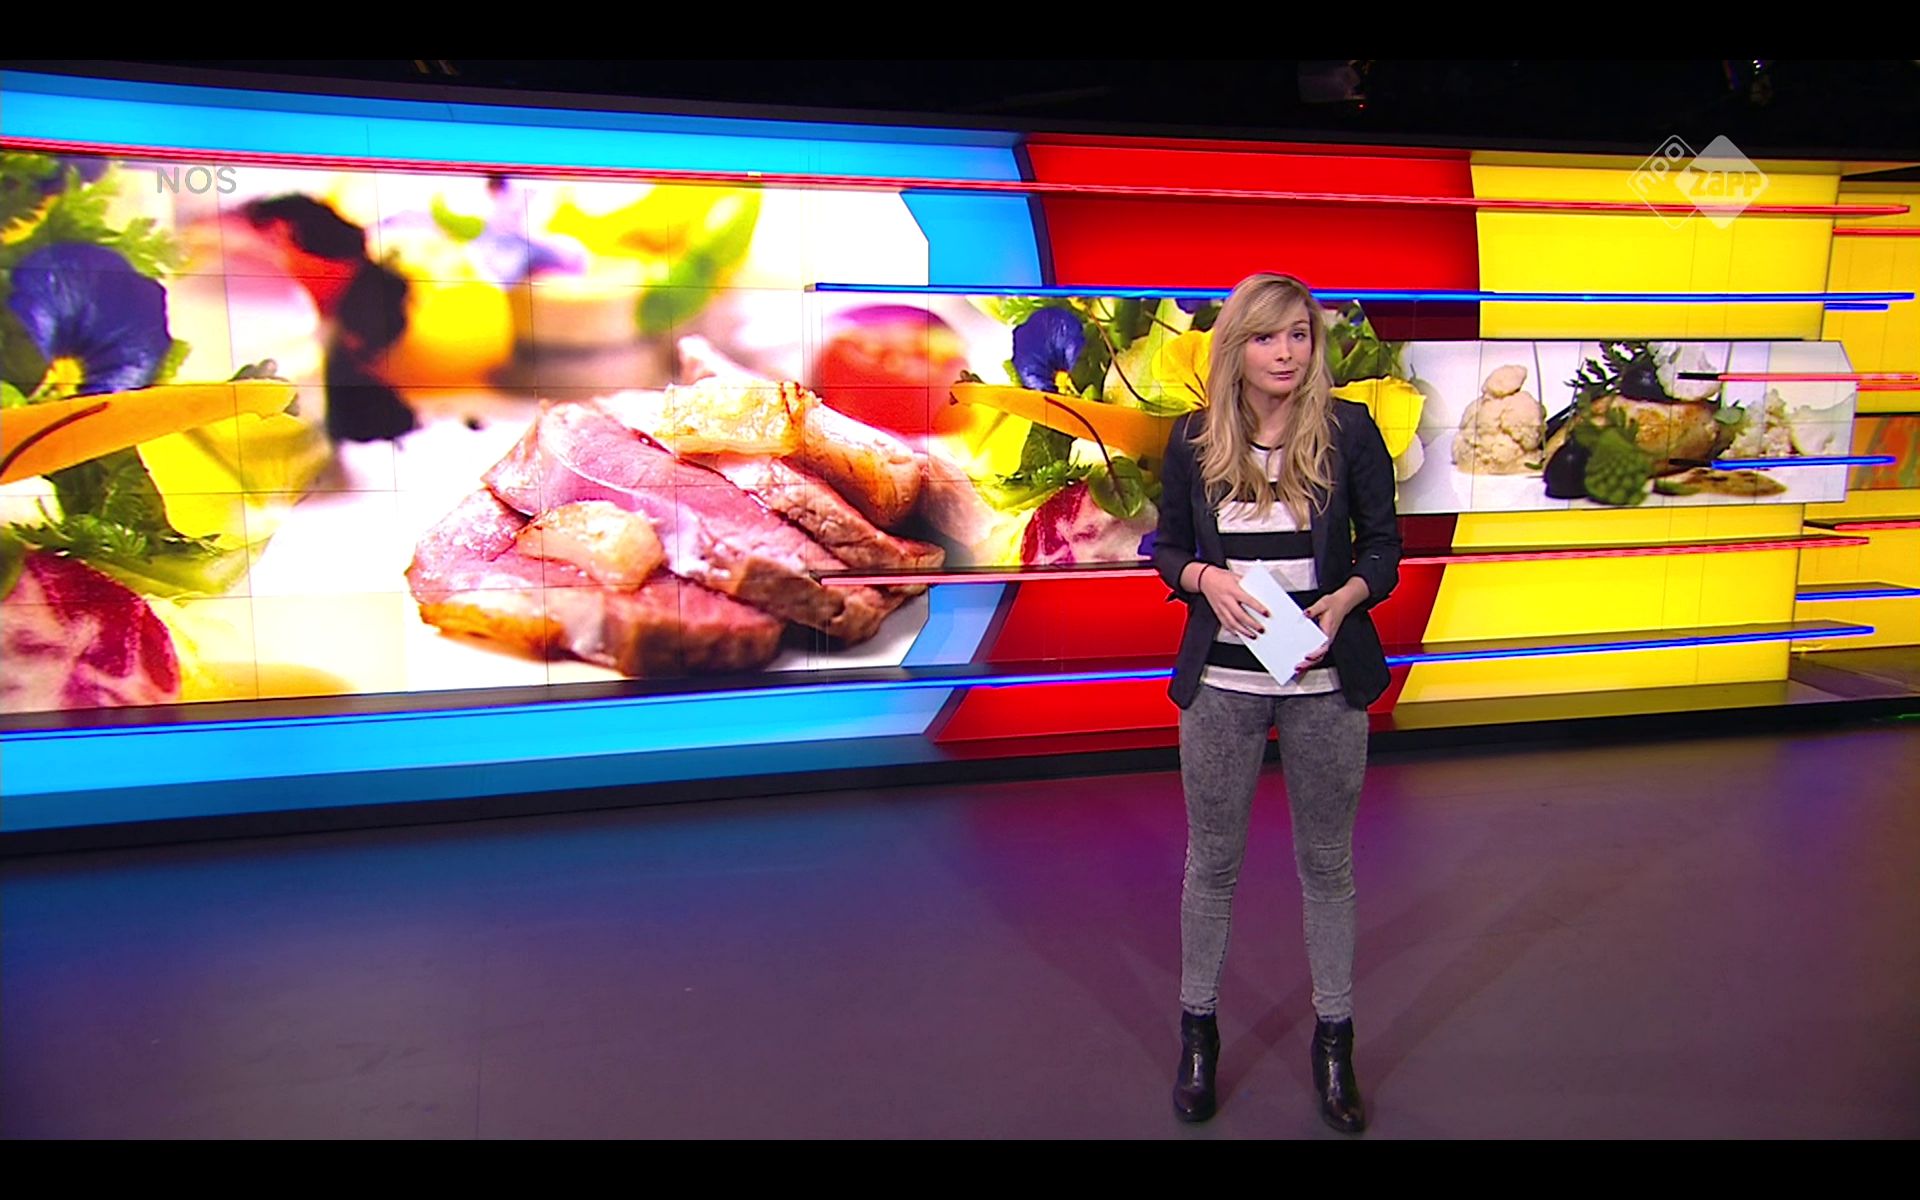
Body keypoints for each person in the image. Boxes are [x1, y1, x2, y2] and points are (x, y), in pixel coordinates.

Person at [1151, 272, 1402, 1134]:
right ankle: (1198, 1036)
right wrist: (1203, 577)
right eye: (1266, 336)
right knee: (1211, 864)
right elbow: (1167, 547)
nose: (1286, 352)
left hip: (1325, 683)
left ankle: (1335, 1043)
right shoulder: (1193, 440)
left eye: (1299, 334)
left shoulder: (1350, 430)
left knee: (1327, 864)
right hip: (1221, 685)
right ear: (1236, 346)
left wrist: (1349, 597)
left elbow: (1384, 547)